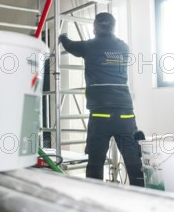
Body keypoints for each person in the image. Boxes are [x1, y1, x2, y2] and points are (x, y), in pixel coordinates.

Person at [58, 12, 144, 187]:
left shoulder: (89, 46)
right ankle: (141, 202)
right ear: (113, 27)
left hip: (100, 115)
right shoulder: (123, 47)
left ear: (95, 28)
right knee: (134, 162)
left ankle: (94, 200)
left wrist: (62, 36)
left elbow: (70, 46)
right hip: (125, 113)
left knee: (95, 164)